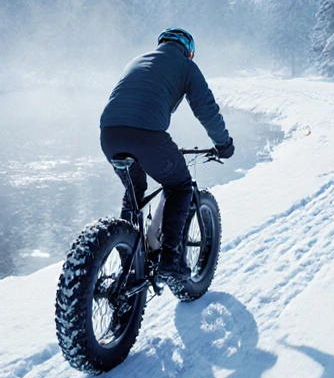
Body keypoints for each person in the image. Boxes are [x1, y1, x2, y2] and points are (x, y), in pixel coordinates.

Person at [99, 27, 234, 288]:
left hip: (109, 134)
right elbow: (206, 110)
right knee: (180, 185)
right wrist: (223, 144)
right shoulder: (186, 66)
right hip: (147, 135)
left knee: (135, 189)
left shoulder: (137, 60)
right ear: (188, 50)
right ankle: (171, 258)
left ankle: (128, 253)